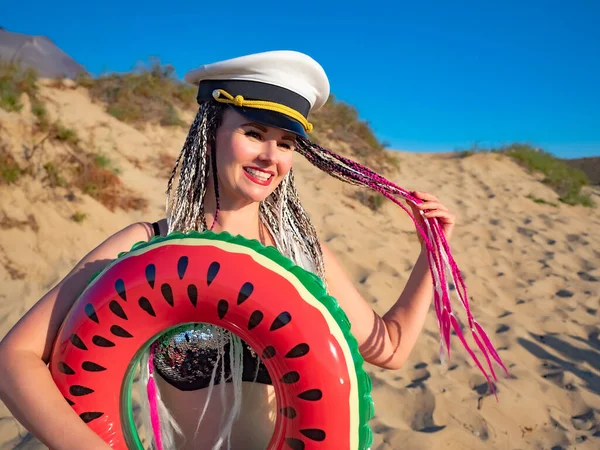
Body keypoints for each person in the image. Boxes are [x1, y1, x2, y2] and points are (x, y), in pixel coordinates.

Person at [0, 50, 501, 450]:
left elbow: (389, 348)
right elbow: (15, 358)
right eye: (254, 133)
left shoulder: (304, 255)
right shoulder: (147, 246)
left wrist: (431, 251)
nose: (270, 156)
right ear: (211, 131)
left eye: (286, 143)